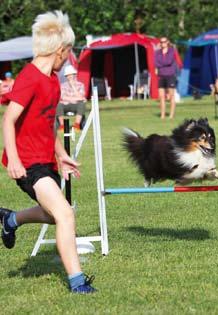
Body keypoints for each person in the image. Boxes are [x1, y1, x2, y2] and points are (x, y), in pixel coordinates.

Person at [0, 11, 96, 294]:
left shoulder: (53, 80)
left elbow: (47, 122)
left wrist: (60, 154)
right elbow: (9, 119)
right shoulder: (29, 78)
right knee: (65, 215)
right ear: (60, 50)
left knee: (53, 215)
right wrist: (14, 160)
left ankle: (10, 220)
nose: (68, 58)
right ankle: (78, 282)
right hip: (27, 163)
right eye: (67, 52)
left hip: (45, 160)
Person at [57, 64, 86, 132]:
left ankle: (77, 125)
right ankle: (62, 125)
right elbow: (63, 97)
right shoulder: (63, 86)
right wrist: (75, 98)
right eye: (68, 75)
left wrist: (73, 86)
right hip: (65, 105)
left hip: (76, 105)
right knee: (58, 105)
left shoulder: (80, 85)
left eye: (71, 74)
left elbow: (81, 97)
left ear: (74, 75)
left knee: (82, 104)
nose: (69, 76)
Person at [155, 36, 177, 119]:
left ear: (168, 42)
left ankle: (171, 115)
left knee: (171, 96)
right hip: (161, 76)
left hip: (170, 75)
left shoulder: (172, 51)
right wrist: (163, 64)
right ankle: (162, 115)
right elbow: (156, 63)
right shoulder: (157, 52)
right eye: (161, 42)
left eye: (164, 41)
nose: (162, 43)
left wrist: (162, 64)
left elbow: (169, 61)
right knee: (161, 97)